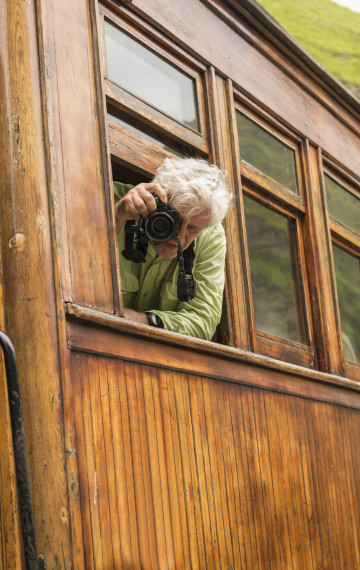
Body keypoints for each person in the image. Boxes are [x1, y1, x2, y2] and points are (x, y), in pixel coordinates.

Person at [114, 157, 232, 341]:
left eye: (193, 229)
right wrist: (117, 216)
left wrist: (143, 320)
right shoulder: (115, 199)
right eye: (174, 220)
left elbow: (202, 320)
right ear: (155, 198)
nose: (180, 237)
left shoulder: (211, 235)